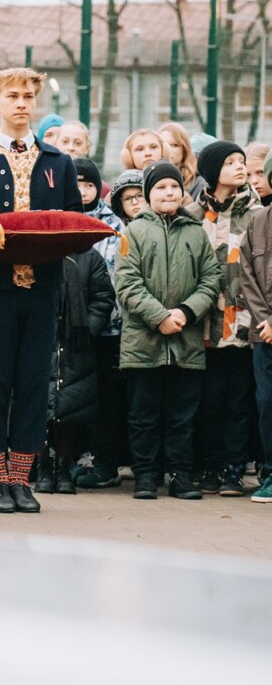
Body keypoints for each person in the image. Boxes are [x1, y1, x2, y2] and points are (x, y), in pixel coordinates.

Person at [0, 66, 82, 515]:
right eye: (13, 96)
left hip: (42, 287)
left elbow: (72, 220)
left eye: (28, 96)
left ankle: (22, 479)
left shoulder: (58, 163)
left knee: (32, 383)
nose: (22, 103)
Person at [114, 161, 221, 501]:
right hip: (143, 342)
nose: (169, 192)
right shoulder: (133, 233)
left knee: (182, 415)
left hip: (186, 341)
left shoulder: (196, 232)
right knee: (143, 414)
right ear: (148, 195)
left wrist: (187, 312)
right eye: (160, 187)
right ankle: (146, 475)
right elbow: (127, 284)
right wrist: (159, 315)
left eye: (174, 186)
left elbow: (211, 278)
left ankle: (180, 475)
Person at [187, 141, 260, 496]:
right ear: (212, 171)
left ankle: (234, 467)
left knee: (239, 398)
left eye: (242, 161)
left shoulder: (257, 213)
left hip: (245, 322)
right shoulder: (193, 215)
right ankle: (210, 465)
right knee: (209, 397)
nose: (240, 167)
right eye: (230, 162)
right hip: (203, 323)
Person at [35, 248, 115, 494]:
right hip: (39, 339)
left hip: (76, 344)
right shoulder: (35, 251)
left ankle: (64, 466)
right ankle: (43, 468)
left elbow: (103, 297)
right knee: (39, 407)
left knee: (70, 407)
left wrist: (86, 330)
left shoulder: (88, 256)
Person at [72, 157, 126, 490]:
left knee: (106, 397)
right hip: (67, 329)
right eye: (75, 184)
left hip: (108, 329)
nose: (82, 191)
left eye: (88, 184)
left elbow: (116, 278)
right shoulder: (58, 220)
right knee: (72, 398)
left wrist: (96, 321)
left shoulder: (113, 225)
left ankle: (104, 461)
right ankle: (70, 457)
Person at [239, 185, 272, 502]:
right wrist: (265, 320)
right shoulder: (258, 221)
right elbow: (246, 273)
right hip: (264, 334)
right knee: (266, 403)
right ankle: (270, 471)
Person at [157, 121, 205, 202]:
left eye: (174, 145)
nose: (169, 150)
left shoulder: (199, 184)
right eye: (164, 145)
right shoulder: (146, 177)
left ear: (185, 149)